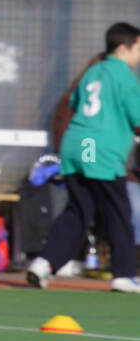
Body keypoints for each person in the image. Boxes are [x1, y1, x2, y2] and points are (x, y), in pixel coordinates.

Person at [27, 22, 140, 292]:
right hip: (98, 151)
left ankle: (43, 263)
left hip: (78, 145)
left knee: (79, 210)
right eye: (138, 48)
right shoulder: (124, 76)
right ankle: (124, 274)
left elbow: (76, 104)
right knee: (118, 212)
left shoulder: (93, 71)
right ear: (123, 48)